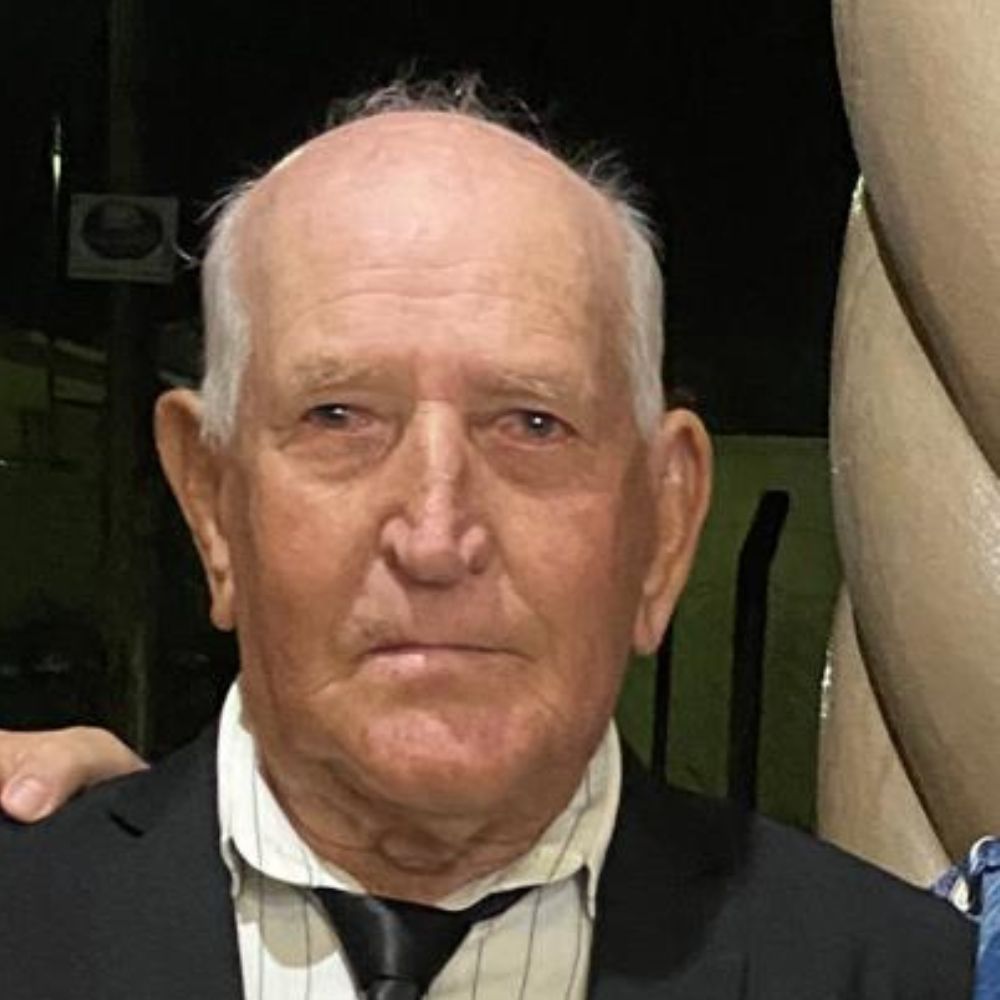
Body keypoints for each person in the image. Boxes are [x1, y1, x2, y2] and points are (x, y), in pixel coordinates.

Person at [0, 81, 973, 999]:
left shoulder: (893, 976)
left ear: (665, 525)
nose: (434, 537)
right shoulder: (28, 920)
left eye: (532, 424)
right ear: (212, 501)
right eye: (340, 417)